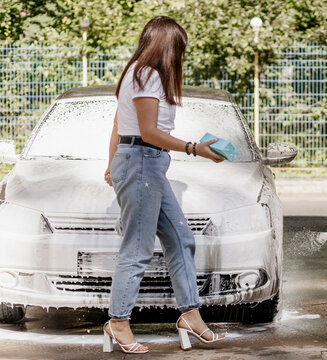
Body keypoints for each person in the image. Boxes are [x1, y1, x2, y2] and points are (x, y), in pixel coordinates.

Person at [102, 16, 226, 354]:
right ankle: (118, 321)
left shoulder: (137, 72)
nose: (181, 56)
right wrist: (194, 148)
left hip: (145, 164)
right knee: (138, 248)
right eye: (180, 49)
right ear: (168, 47)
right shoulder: (147, 74)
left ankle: (190, 315)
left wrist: (112, 163)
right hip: (142, 161)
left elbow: (118, 123)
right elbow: (148, 132)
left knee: (181, 239)